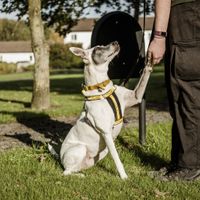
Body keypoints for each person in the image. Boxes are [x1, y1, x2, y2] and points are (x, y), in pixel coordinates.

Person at [148, 0, 200, 181]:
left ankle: (189, 166)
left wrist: (159, 36)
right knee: (184, 92)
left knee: (186, 92)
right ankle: (180, 162)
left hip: (186, 16)